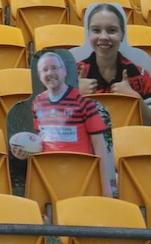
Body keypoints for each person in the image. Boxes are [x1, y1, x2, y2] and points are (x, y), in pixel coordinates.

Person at [11, 51, 114, 197]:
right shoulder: (38, 102)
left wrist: (105, 188)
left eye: (54, 68)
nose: (50, 73)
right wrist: (25, 152)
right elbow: (43, 139)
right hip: (48, 176)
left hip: (80, 175)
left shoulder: (83, 101)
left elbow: (99, 145)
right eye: (45, 70)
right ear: (39, 76)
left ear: (64, 71)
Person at [75, 3, 151, 125]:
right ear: (88, 34)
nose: (104, 37)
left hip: (130, 142)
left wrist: (135, 99)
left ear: (122, 35)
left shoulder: (141, 76)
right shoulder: (71, 75)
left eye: (112, 30)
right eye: (96, 30)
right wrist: (74, 95)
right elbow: (53, 124)